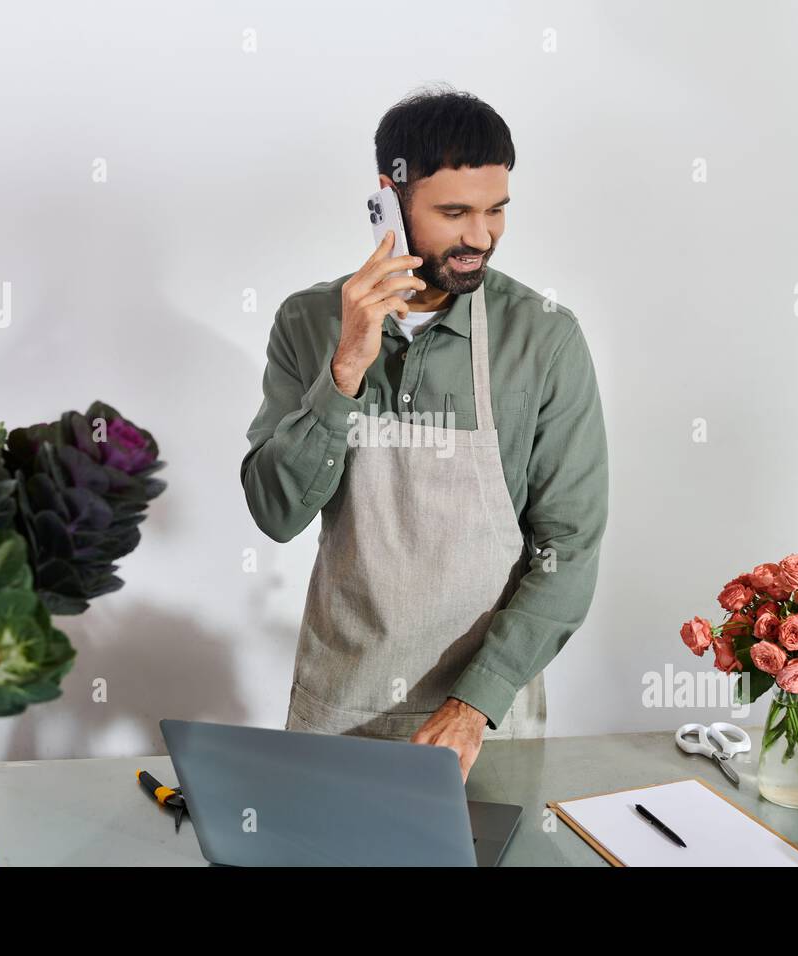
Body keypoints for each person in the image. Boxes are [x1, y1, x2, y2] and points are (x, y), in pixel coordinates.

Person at [240, 85, 608, 782]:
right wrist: (345, 367)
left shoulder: (545, 339)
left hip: (482, 727)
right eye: (454, 212)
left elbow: (570, 550)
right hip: (336, 712)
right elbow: (275, 512)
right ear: (388, 196)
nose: (481, 237)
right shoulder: (306, 322)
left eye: (496, 210)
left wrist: (474, 704)